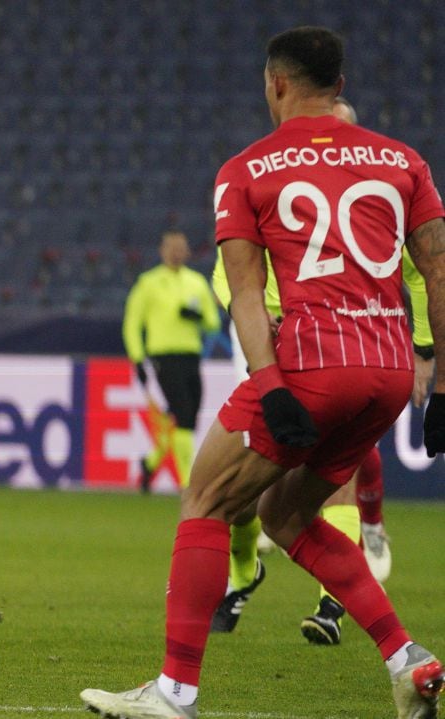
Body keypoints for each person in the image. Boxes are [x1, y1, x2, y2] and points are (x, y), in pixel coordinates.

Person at [81, 26, 445, 718]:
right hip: (390, 371)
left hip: (312, 362)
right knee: (287, 513)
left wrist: (271, 384)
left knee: (206, 500)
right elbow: (437, 271)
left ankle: (175, 692)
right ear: (339, 86)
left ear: (274, 84)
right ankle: (409, 659)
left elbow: (246, 293)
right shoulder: (406, 162)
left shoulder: (248, 169)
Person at [209, 95, 433, 645]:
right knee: (236, 504)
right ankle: (243, 571)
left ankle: (333, 604)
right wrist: (275, 327)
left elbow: (423, 271)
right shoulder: (273, 192)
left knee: (338, 478)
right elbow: (232, 280)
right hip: (276, 351)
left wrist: (424, 347)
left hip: (339, 352)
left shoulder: (373, 205)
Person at [122, 229, 221, 491]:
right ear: (162, 251)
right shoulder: (148, 283)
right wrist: (137, 359)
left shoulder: (197, 282)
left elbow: (212, 322)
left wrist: (196, 317)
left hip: (191, 356)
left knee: (186, 416)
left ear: (187, 252)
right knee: (184, 414)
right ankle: (188, 483)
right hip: (163, 358)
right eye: (171, 248)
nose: (176, 252)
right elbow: (133, 323)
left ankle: (150, 463)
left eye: (180, 248)